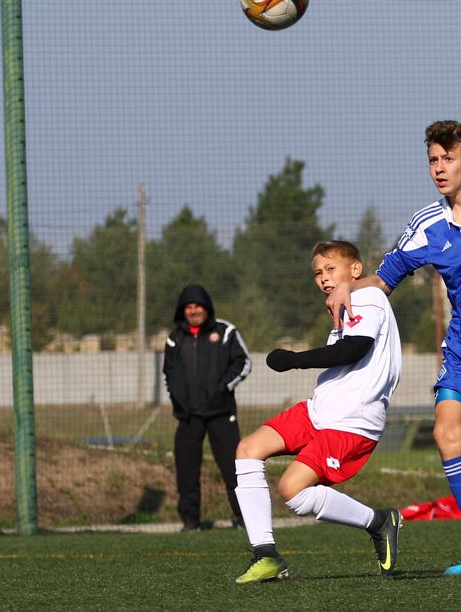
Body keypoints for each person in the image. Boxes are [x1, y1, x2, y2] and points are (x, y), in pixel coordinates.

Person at [326, 120, 461, 577]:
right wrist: (346, 286)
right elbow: (385, 279)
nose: (439, 169)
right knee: (446, 433)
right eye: (433, 160)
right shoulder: (428, 225)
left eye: (449, 158)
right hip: (460, 344)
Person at [234, 241, 402, 584]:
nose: (324, 278)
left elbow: (354, 349)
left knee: (292, 490)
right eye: (317, 273)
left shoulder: (367, 297)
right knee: (248, 450)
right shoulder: (343, 305)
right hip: (319, 411)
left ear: (355, 270)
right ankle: (266, 555)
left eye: (331, 269)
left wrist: (294, 360)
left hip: (352, 422)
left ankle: (378, 521)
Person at [163, 284, 252, 532]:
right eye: (189, 307)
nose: (193, 311)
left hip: (221, 413)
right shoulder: (175, 339)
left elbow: (244, 362)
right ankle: (191, 521)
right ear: (183, 310)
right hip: (188, 416)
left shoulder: (225, 331)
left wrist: (223, 388)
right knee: (186, 470)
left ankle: (244, 518)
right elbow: (168, 373)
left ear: (206, 308)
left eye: (198, 306)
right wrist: (177, 399)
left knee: (234, 468)